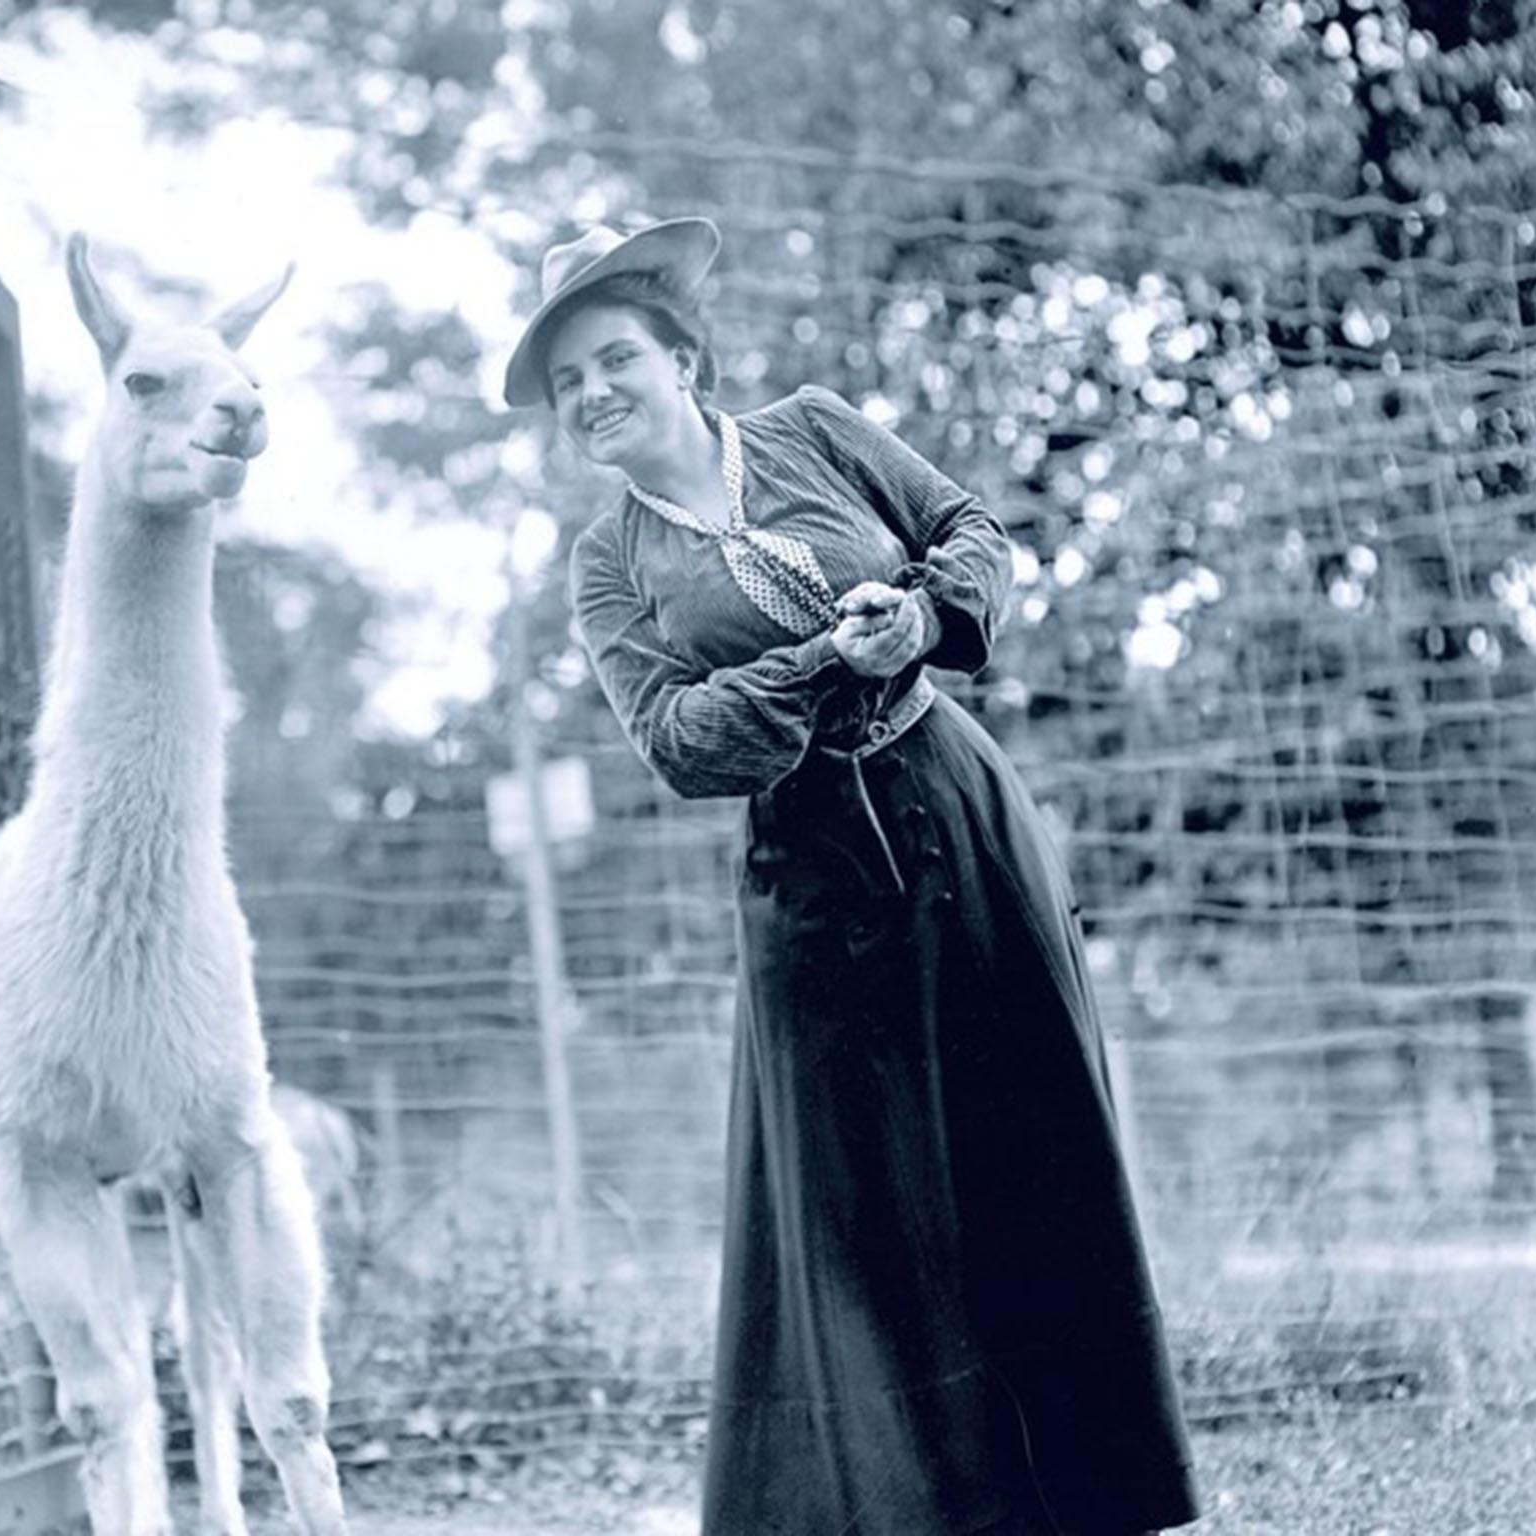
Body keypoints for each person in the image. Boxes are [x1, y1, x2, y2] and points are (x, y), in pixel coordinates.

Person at [503, 217, 1203, 1536]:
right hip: (811, 885)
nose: (594, 396)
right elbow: (679, 738)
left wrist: (928, 618)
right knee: (861, 1218)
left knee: (1029, 1153)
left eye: (615, 360)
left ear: (683, 359)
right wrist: (837, 653)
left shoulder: (815, 431)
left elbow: (967, 525)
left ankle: (1088, 1497)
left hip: (958, 817)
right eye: (567, 386)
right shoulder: (606, 569)